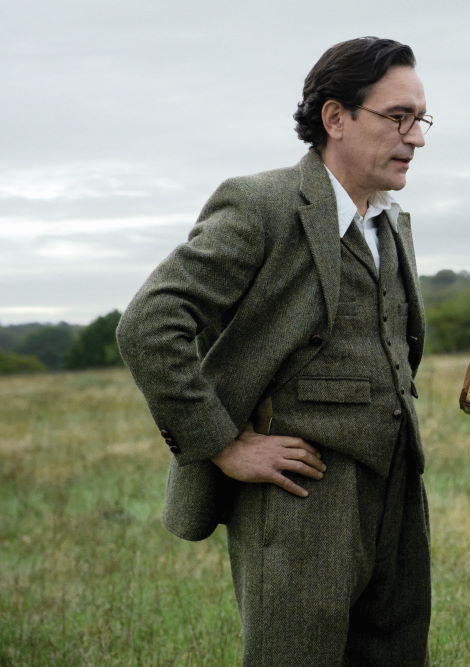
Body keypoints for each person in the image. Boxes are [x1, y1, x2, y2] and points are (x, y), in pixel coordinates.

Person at [117, 37, 433, 665]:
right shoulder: (261, 204)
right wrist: (222, 444)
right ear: (336, 118)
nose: (416, 136)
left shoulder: (390, 221)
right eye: (398, 117)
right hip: (300, 496)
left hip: (397, 487)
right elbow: (150, 322)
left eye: (421, 119)